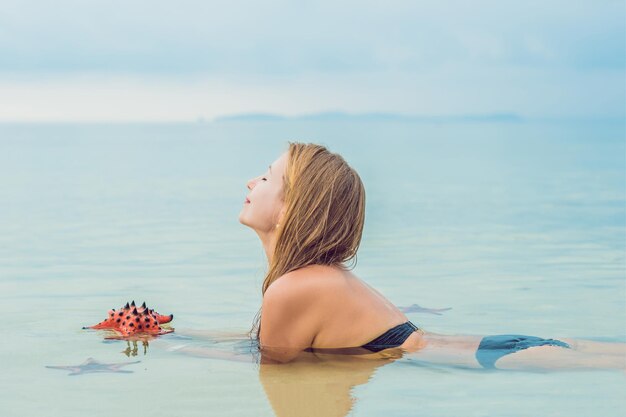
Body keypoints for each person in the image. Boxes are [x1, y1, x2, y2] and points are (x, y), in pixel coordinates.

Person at [237, 142, 625, 370]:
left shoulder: (294, 288)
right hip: (492, 349)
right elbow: (263, 346)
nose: (251, 181)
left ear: (291, 209)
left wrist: (179, 350)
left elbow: (276, 368)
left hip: (493, 360)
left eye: (267, 177)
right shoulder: (316, 278)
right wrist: (179, 336)